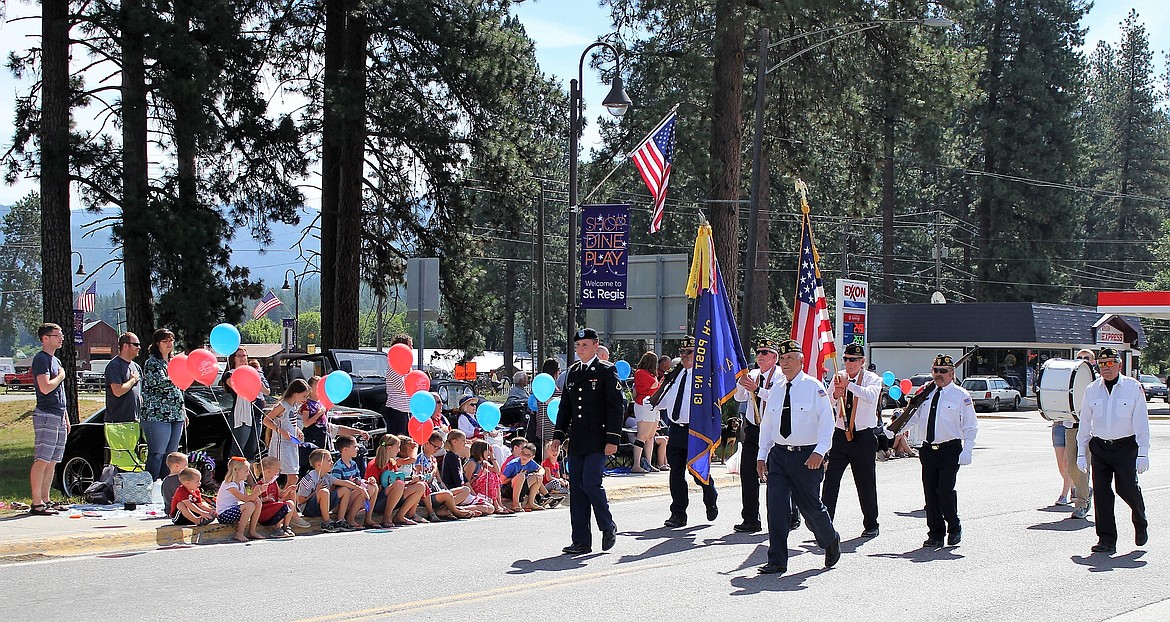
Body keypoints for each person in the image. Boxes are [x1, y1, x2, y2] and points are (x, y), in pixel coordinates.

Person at [755, 339, 841, 576]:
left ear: (801, 361)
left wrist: (819, 451)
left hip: (806, 456)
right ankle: (777, 560)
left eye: (790, 358)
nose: (785, 363)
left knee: (811, 508)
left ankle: (830, 539)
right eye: (782, 359)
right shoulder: (776, 390)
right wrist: (762, 455)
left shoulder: (814, 387)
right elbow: (768, 424)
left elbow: (827, 422)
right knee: (777, 508)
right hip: (780, 456)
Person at [552, 327, 623, 555]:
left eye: (585, 345)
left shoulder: (606, 370)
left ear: (595, 346)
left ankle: (607, 526)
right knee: (578, 489)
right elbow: (566, 408)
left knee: (591, 483)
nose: (580, 349)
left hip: (600, 438)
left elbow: (615, 406)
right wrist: (558, 436)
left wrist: (613, 438)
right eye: (577, 346)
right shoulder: (572, 372)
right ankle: (581, 540)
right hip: (579, 439)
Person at [1076, 347, 1150, 554]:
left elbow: (1141, 421)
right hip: (1099, 446)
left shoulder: (1132, 387)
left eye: (1110, 364)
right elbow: (1085, 421)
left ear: (1119, 365)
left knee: (1126, 488)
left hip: (1125, 446)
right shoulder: (1092, 389)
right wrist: (1081, 451)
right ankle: (1106, 539)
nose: (1106, 368)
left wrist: (1143, 451)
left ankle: (1140, 519)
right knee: (1102, 493)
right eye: (1102, 364)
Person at [900, 354, 978, 548]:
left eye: (944, 371)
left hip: (950, 449)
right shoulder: (925, 393)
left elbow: (970, 425)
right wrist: (894, 430)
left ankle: (954, 526)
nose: (939, 374)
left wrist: (968, 449)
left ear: (952, 373)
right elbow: (913, 417)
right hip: (928, 450)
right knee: (930, 493)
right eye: (936, 370)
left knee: (944, 490)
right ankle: (935, 533)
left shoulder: (961, 395)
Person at [655, 336, 718, 528]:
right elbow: (665, 402)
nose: (684, 356)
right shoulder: (676, 375)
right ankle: (678, 513)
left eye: (688, 352)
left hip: (696, 431)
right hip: (676, 429)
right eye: (682, 353)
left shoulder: (704, 377)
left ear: (697, 354)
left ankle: (710, 495)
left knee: (696, 472)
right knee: (676, 473)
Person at [733, 337, 795, 534]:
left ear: (774, 357)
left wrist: (757, 389)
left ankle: (789, 514)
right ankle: (750, 518)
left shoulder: (780, 375)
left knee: (777, 475)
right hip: (753, 429)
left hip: (774, 430)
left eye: (764, 352)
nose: (760, 356)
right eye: (758, 352)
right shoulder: (752, 374)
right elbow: (739, 397)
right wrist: (742, 384)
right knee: (748, 472)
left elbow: (777, 398)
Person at [822, 343, 883, 538]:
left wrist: (850, 386)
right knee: (831, 480)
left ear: (862, 362)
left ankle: (871, 522)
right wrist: (835, 394)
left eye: (853, 360)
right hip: (840, 434)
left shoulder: (872, 379)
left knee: (865, 481)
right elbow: (827, 401)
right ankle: (825, 522)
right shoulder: (838, 376)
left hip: (863, 435)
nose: (849, 363)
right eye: (846, 359)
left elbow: (870, 396)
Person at [29, 323, 69, 515]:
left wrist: (66, 417)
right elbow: (45, 387)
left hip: (59, 415)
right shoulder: (41, 360)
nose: (61, 338)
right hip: (46, 415)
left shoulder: (56, 361)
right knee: (42, 459)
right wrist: (61, 376)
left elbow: (60, 393)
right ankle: (36, 502)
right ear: (45, 338)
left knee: (53, 460)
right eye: (57, 335)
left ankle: (46, 499)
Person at [141, 328, 185, 479]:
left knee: (171, 456)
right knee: (158, 453)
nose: (169, 344)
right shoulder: (152, 363)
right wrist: (180, 376)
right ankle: (152, 485)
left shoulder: (175, 362)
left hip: (176, 414)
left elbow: (180, 390)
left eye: (171, 340)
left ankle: (167, 487)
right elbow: (159, 383)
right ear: (157, 344)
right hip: (156, 415)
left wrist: (183, 411)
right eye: (165, 341)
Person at [262, 378, 309, 489]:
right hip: (281, 444)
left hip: (291, 443)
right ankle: (272, 495)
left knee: (294, 477)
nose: (305, 400)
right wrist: (280, 431)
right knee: (275, 473)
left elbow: (291, 422)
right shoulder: (283, 406)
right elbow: (266, 420)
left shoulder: (295, 406)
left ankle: (284, 498)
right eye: (303, 396)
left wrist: (297, 430)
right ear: (295, 394)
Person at [1067, 348, 1096, 520]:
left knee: (1082, 465)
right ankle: (1085, 490)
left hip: (1089, 428)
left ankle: (1081, 503)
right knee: (1070, 466)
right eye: (1079, 358)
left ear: (1093, 361)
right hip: (1071, 425)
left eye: (1086, 358)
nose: (1083, 360)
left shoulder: (1096, 380)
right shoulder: (1070, 378)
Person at [330, 435, 379, 529]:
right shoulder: (338, 466)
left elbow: (358, 480)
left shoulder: (353, 464)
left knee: (374, 487)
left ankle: (368, 518)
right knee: (362, 491)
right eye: (355, 447)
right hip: (342, 502)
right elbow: (335, 485)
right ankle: (350, 518)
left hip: (353, 496)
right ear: (345, 450)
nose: (357, 449)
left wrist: (367, 481)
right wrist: (349, 483)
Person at [222, 347, 259, 460]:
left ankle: (248, 476)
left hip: (255, 413)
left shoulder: (252, 372)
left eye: (244, 356)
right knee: (238, 449)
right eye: (239, 356)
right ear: (234, 358)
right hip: (240, 414)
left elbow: (265, 390)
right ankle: (233, 475)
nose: (243, 358)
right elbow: (238, 388)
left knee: (251, 450)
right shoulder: (229, 374)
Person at [217, 458, 265, 542]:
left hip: (234, 511)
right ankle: (239, 533)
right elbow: (244, 498)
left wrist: (256, 494)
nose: (249, 473)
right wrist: (257, 492)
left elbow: (248, 498)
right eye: (246, 471)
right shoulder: (230, 485)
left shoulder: (241, 482)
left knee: (257, 501)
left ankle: (252, 531)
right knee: (250, 505)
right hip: (224, 514)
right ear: (237, 471)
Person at [631, 351, 661, 473]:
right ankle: (636, 464)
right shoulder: (640, 373)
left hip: (653, 406)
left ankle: (648, 463)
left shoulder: (651, 374)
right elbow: (655, 386)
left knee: (650, 436)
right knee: (642, 435)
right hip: (644, 405)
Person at [105, 332, 143, 423]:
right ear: (125, 346)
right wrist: (133, 380)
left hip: (135, 421)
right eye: (136, 344)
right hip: (118, 422)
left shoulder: (136, 367)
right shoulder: (114, 365)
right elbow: (117, 391)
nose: (139, 347)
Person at [383, 333, 413, 436]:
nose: (412, 348)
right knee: (397, 440)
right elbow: (400, 386)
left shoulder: (408, 367)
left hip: (407, 410)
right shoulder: (393, 366)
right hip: (396, 410)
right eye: (410, 345)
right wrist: (406, 374)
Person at [528, 358, 561, 449]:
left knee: (545, 447)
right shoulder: (554, 389)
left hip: (541, 422)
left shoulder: (538, 387)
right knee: (551, 448)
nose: (559, 372)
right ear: (554, 370)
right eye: (558, 369)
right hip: (552, 423)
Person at [502, 442, 546, 511]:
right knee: (521, 476)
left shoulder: (530, 462)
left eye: (528, 455)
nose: (524, 457)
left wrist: (539, 474)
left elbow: (541, 469)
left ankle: (530, 503)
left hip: (521, 487)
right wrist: (516, 477)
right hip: (508, 489)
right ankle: (515, 503)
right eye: (523, 453)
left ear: (532, 457)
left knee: (537, 477)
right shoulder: (513, 464)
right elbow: (501, 480)